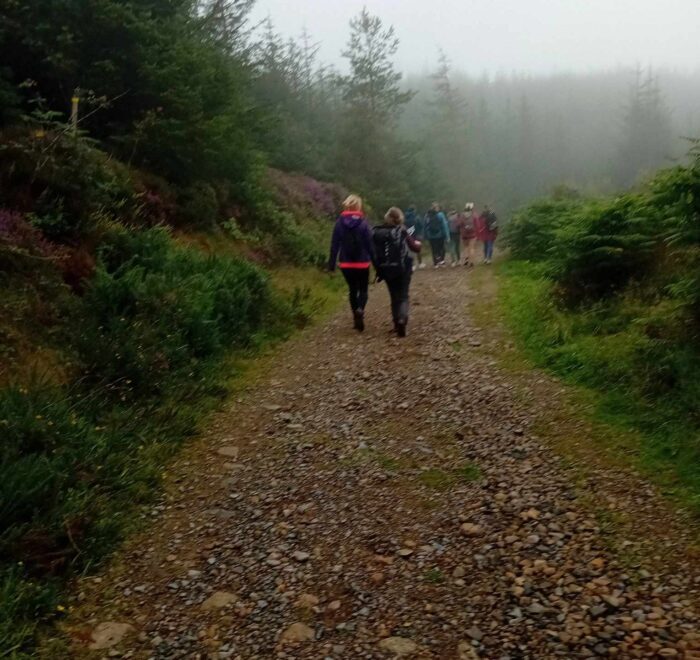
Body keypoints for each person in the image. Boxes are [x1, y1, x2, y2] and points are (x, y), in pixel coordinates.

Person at [372, 207, 422, 337]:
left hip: (386, 268)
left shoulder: (378, 231)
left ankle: (396, 323)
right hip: (403, 267)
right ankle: (402, 319)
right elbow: (415, 248)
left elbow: (373, 252)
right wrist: (419, 244)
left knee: (394, 296)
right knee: (404, 295)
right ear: (400, 218)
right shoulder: (403, 230)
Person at [328, 194, 374, 331]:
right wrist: (377, 263)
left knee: (352, 290)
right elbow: (370, 245)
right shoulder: (364, 223)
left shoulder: (339, 223)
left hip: (346, 264)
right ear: (358, 206)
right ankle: (360, 309)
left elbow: (334, 244)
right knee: (363, 290)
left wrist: (331, 264)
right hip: (362, 263)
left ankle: (355, 316)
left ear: (347, 206)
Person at [424, 202, 450, 267]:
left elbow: (425, 226)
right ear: (437, 208)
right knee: (441, 248)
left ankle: (436, 263)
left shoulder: (427, 215)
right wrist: (447, 236)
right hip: (439, 235)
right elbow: (444, 226)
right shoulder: (440, 215)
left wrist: (425, 236)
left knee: (434, 249)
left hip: (431, 236)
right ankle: (441, 261)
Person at [460, 202, 478, 267]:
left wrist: (462, 231)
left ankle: (466, 260)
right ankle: (472, 262)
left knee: (466, 247)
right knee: (472, 248)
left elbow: (460, 224)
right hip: (472, 234)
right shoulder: (474, 215)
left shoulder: (462, 215)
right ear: (472, 208)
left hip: (464, 235)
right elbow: (477, 225)